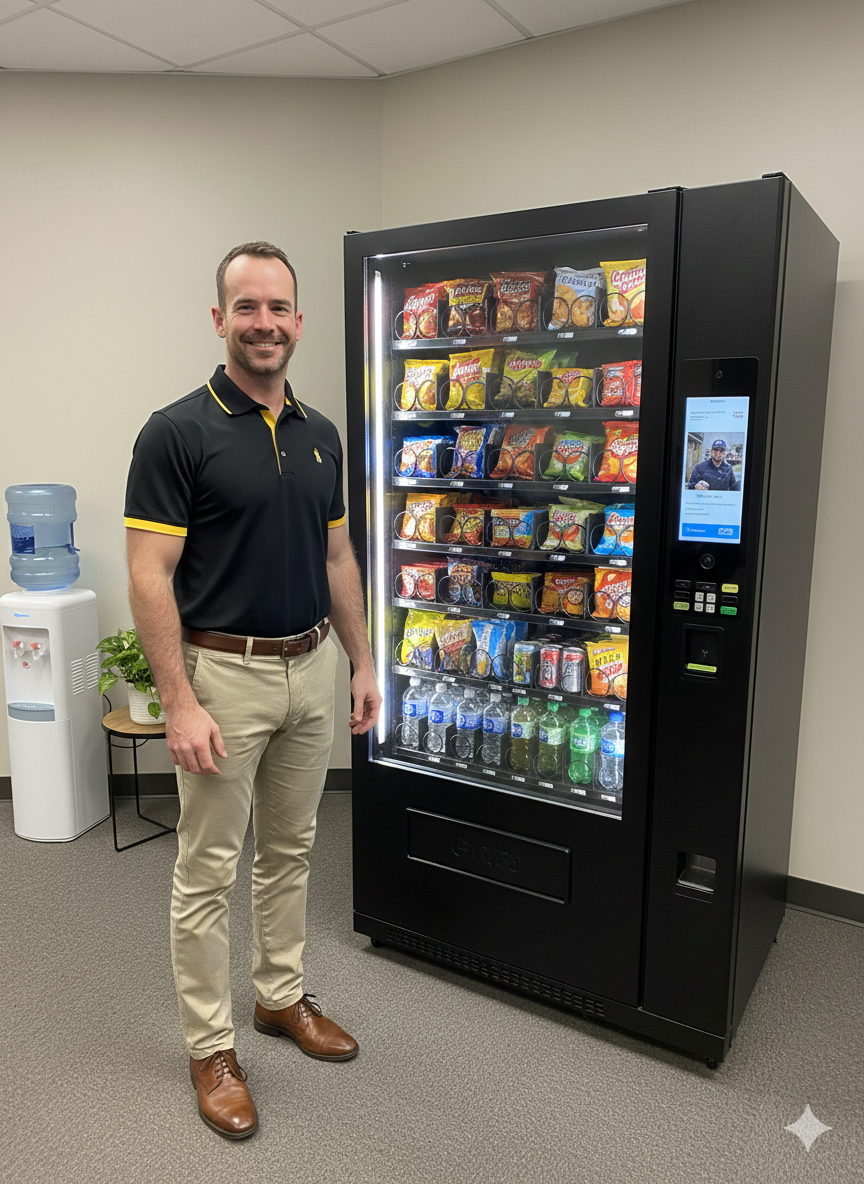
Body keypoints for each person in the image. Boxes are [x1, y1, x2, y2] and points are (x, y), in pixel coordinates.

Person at [124, 241, 381, 1140]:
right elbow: (149, 578)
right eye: (247, 308)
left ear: (299, 322)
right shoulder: (177, 431)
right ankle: (211, 1047)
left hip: (313, 668)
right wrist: (180, 702)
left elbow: (337, 555)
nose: (265, 324)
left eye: (279, 309)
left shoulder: (321, 435)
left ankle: (280, 998)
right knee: (207, 871)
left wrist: (362, 659)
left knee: (293, 848)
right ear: (220, 319)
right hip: (222, 676)